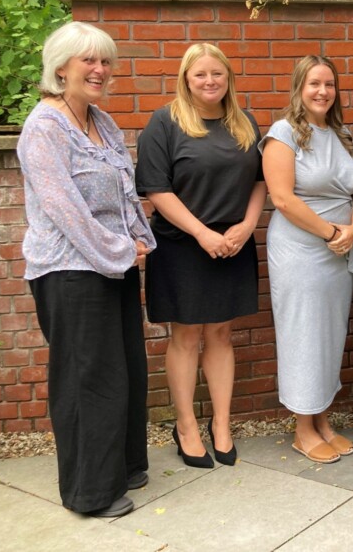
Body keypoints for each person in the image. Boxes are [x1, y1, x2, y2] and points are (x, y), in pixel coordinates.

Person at [17, 21, 156, 518]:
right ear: (61, 68)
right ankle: (89, 493)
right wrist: (122, 251)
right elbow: (65, 209)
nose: (100, 70)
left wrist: (140, 236)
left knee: (125, 371)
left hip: (112, 267)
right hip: (70, 272)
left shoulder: (101, 121)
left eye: (105, 61)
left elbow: (123, 190)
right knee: (87, 379)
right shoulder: (44, 127)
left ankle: (123, 466)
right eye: (88, 61)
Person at [135, 43, 266, 468]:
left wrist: (246, 227)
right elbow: (156, 189)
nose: (210, 82)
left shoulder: (244, 123)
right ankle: (187, 425)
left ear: (228, 78)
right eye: (200, 75)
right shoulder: (165, 123)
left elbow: (261, 180)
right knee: (186, 336)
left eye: (217, 74)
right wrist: (202, 234)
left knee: (222, 334)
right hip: (181, 247)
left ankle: (222, 424)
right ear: (185, 79)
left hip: (233, 245)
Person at [262, 55, 353, 464]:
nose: (322, 91)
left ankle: (322, 420)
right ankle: (303, 429)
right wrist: (331, 233)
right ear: (299, 88)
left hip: (339, 250)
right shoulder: (282, 134)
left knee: (328, 335)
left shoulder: (341, 134)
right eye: (314, 84)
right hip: (300, 251)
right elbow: (283, 198)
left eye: (329, 84)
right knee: (302, 335)